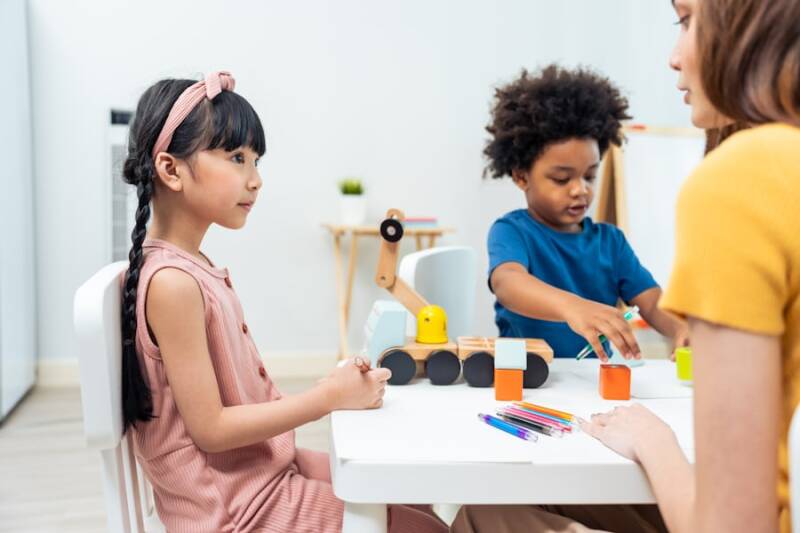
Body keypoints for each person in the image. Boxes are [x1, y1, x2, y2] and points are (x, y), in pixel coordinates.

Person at [119, 71, 447, 533]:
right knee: (424, 527)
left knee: (413, 496)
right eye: (237, 158)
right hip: (235, 511)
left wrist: (334, 390)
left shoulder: (191, 268)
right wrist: (328, 398)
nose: (255, 181)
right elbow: (211, 429)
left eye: (256, 161)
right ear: (171, 170)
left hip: (257, 474)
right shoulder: (172, 284)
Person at [484, 65, 688, 361]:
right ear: (521, 176)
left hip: (591, 378)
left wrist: (681, 329)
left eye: (589, 176)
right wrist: (572, 307)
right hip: (527, 375)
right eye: (562, 179)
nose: (580, 189)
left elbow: (652, 301)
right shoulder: (512, 231)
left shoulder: (610, 242)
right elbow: (508, 283)